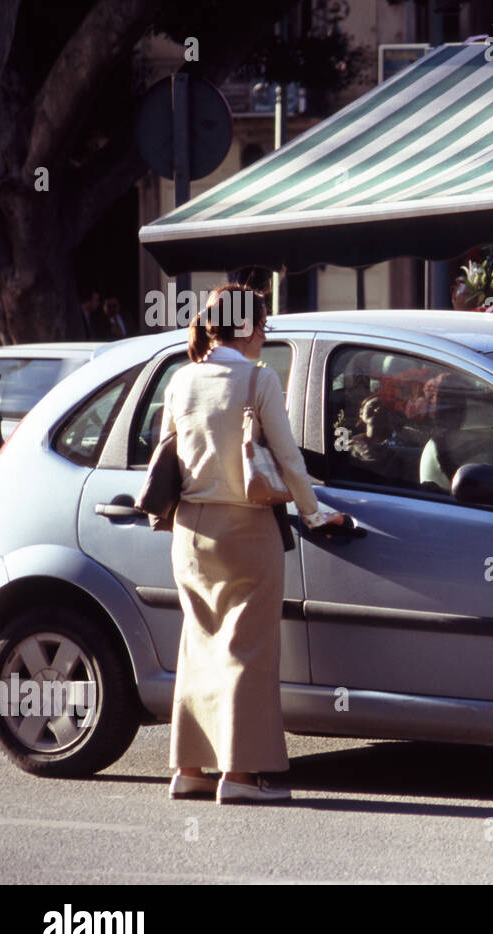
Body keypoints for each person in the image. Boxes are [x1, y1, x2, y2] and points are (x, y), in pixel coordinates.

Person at [162, 284, 346, 804]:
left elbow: (167, 455)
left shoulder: (181, 379)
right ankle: (241, 777)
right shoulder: (258, 380)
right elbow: (288, 459)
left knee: (198, 645)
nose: (265, 337)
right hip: (246, 524)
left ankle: (190, 769)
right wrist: (313, 511)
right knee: (249, 648)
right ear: (245, 328)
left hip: (190, 529)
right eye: (263, 327)